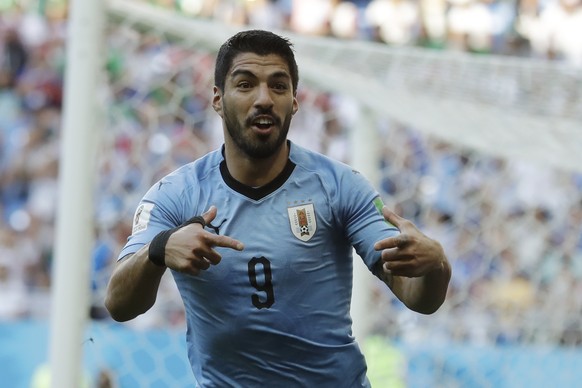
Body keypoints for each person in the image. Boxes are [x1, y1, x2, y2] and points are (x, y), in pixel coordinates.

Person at [105, 29, 451, 387]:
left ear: (295, 101)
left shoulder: (340, 186)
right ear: (217, 99)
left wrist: (436, 266)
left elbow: (418, 298)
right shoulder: (174, 196)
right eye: (245, 85)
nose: (264, 99)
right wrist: (158, 250)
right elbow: (118, 303)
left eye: (278, 86)